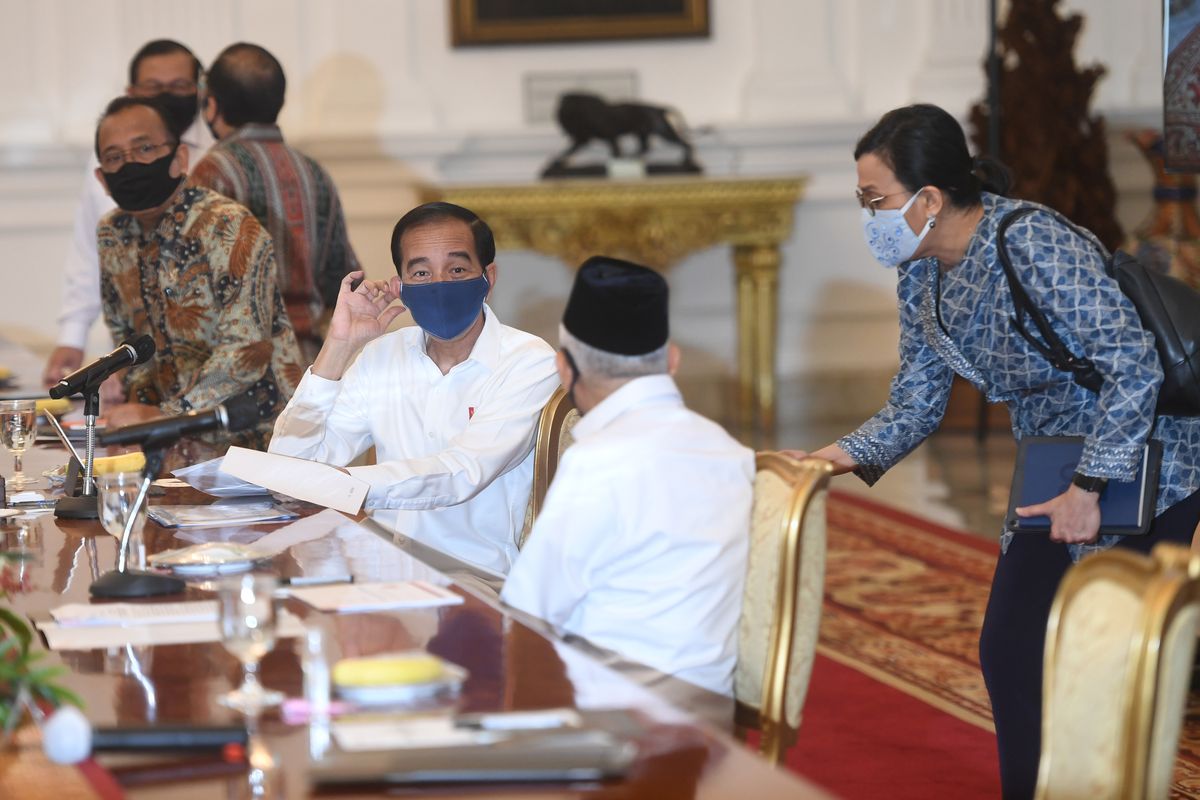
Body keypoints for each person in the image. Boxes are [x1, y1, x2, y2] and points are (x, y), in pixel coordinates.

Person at [793, 104, 1200, 798]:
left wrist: (1092, 487)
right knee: (1013, 651)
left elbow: (1133, 362)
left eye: (875, 201)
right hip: (1055, 465)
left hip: (1152, 461)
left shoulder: (1030, 241)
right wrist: (829, 458)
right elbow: (918, 400)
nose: (869, 219)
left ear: (928, 198)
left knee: (1102, 653)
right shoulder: (922, 271)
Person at [501, 256, 754, 697]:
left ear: (564, 369)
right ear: (672, 360)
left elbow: (529, 613)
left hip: (615, 718)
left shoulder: (597, 461)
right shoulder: (731, 451)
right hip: (712, 713)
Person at [268, 202, 559, 577]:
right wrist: (338, 346)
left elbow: (461, 473)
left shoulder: (529, 361)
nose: (439, 284)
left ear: (488, 277)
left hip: (475, 584)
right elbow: (288, 467)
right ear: (400, 286)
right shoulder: (382, 356)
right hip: (380, 577)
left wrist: (344, 484)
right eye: (421, 273)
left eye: (456, 269)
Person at [94, 95, 303, 448]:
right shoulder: (112, 233)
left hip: (261, 437)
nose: (130, 164)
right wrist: (135, 405)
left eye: (144, 148)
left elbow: (247, 350)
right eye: (115, 157)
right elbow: (127, 338)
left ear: (179, 158)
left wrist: (170, 416)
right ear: (102, 177)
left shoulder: (229, 226)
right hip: (173, 441)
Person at [44, 39, 215, 397]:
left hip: (211, 377)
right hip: (140, 367)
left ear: (200, 89)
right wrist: (72, 336)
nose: (167, 95)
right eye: (154, 88)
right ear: (133, 92)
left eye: (180, 86)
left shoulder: (221, 157)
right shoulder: (109, 160)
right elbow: (88, 255)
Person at [190, 43, 358, 362]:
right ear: (279, 101)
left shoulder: (213, 171)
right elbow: (345, 280)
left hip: (239, 369)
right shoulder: (313, 172)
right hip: (310, 363)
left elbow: (195, 289)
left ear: (212, 105)